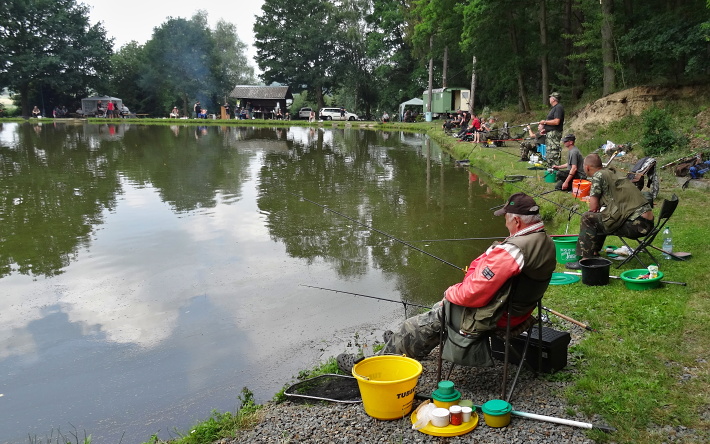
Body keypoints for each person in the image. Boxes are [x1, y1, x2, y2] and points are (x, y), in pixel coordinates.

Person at [336, 193, 556, 369]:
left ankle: (374, 365)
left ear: (516, 221)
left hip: (496, 318)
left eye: (506, 219)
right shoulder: (545, 241)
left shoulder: (513, 251)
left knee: (417, 322)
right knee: (436, 313)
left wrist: (450, 292)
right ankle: (405, 343)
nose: (505, 223)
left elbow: (472, 293)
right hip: (517, 313)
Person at [565, 153, 654, 270]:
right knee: (600, 217)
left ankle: (585, 260)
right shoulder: (612, 172)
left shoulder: (598, 176)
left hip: (635, 225)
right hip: (647, 223)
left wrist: (593, 201)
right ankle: (594, 252)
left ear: (587, 168)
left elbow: (593, 207)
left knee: (588, 218)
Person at [539, 92, 564, 167]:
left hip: (554, 134)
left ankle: (555, 170)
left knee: (553, 152)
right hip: (550, 133)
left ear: (553, 99)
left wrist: (544, 122)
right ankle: (550, 169)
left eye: (550, 97)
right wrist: (546, 129)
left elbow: (556, 122)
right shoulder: (554, 108)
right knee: (549, 153)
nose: (549, 99)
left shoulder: (558, 107)